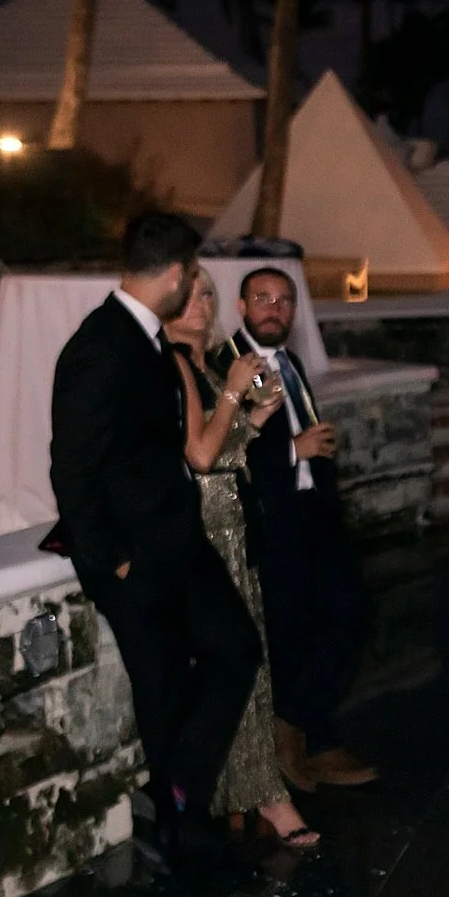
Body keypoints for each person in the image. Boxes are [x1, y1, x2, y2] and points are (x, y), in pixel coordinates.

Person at [48, 214, 262, 866]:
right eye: (192, 273)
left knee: (234, 648)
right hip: (132, 557)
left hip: (176, 538)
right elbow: (72, 466)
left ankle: (174, 790)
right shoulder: (99, 346)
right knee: (163, 686)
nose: (195, 282)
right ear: (173, 275)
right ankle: (177, 825)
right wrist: (110, 559)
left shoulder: (145, 339)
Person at [163, 270, 318, 847]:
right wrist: (232, 392)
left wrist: (257, 416)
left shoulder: (204, 363)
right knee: (239, 663)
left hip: (235, 521)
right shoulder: (178, 363)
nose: (201, 305)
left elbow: (226, 446)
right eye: (190, 296)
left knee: (254, 664)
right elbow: (200, 456)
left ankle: (248, 793)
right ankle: (261, 798)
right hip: (207, 527)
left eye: (207, 294)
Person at [233, 268, 379, 791]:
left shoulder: (288, 362)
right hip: (272, 517)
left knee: (349, 613)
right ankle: (306, 740)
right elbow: (224, 450)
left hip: (313, 509)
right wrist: (295, 450)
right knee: (292, 629)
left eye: (284, 301)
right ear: (242, 305)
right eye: (263, 299)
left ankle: (295, 723)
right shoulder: (232, 363)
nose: (274, 309)